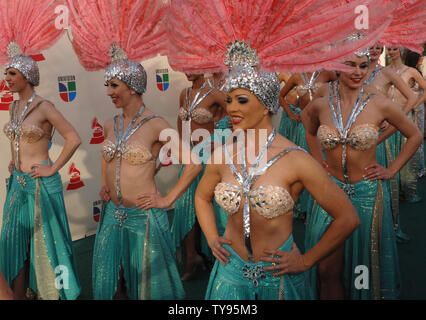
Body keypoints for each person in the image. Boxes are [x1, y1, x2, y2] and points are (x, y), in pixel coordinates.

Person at [67, 0, 202, 299]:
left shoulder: (156, 124)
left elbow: (192, 163)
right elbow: (106, 156)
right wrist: (105, 184)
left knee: (147, 286)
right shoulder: (111, 123)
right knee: (116, 284)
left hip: (144, 218)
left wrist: (166, 198)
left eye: (114, 85)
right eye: (108, 85)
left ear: (132, 86)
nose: (109, 92)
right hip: (113, 214)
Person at [302, 52, 423, 300]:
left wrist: (391, 170)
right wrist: (318, 162)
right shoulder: (322, 101)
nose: (358, 72)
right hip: (331, 195)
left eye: (363, 66)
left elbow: (415, 135)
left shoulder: (380, 103)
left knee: (362, 269)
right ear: (337, 66)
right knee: (326, 269)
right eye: (350, 65)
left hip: (367, 195)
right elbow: (308, 125)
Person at [0, 1, 82, 300]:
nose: (6, 79)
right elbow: (18, 137)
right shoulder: (14, 105)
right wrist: (14, 161)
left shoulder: (45, 105)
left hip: (40, 185)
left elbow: (73, 138)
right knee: (15, 243)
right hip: (18, 185)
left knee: (48, 245)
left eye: (12, 74)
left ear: (27, 76)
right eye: (6, 74)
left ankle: (55, 294)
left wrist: (53, 167)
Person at [172, 72, 228, 281]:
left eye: (191, 65)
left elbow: (240, 112)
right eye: (183, 65)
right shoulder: (184, 93)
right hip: (191, 157)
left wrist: (222, 137)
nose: (186, 70)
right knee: (185, 205)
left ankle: (218, 255)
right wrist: (182, 147)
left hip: (210, 157)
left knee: (213, 205)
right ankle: (192, 256)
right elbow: (181, 121)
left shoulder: (215, 94)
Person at [387, 47, 426, 203]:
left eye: (395, 48)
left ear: (401, 51)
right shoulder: (384, 71)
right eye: (389, 49)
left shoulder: (411, 71)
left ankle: (407, 190)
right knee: (389, 154)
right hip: (388, 118)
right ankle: (392, 190)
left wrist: (416, 104)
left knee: (407, 155)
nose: (391, 51)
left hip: (405, 117)